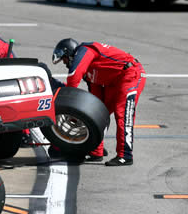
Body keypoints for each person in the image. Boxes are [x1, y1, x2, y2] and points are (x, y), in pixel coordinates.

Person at [52, 38, 146, 166]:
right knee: (99, 112)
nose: (64, 62)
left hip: (130, 74)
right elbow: (95, 101)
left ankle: (125, 155)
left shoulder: (85, 50)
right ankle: (96, 152)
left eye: (64, 58)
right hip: (114, 81)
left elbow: (74, 75)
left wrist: (68, 105)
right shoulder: (89, 72)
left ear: (69, 52)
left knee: (122, 113)